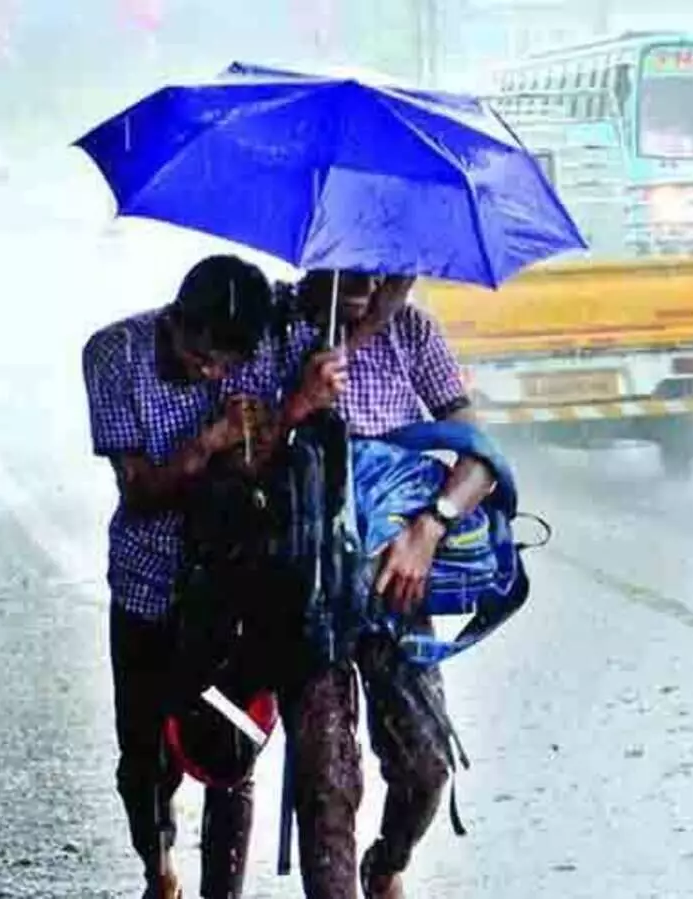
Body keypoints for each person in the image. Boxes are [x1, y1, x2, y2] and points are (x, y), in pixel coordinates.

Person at [83, 254, 345, 899]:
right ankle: (159, 868)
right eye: (201, 359)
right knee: (145, 755)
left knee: (231, 745)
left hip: (235, 588)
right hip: (150, 583)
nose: (213, 374)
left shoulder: (264, 348)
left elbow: (268, 456)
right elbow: (140, 490)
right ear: (175, 320)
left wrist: (300, 402)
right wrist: (212, 440)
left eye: (226, 365)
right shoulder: (113, 356)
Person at [283, 269, 497, 899]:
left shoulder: (413, 331)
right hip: (305, 592)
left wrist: (429, 528)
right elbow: (246, 449)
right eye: (351, 261)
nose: (368, 275)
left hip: (395, 590)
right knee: (326, 783)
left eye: (381, 262)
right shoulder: (276, 328)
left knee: (426, 765)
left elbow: (481, 454)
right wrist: (301, 399)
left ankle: (386, 865)